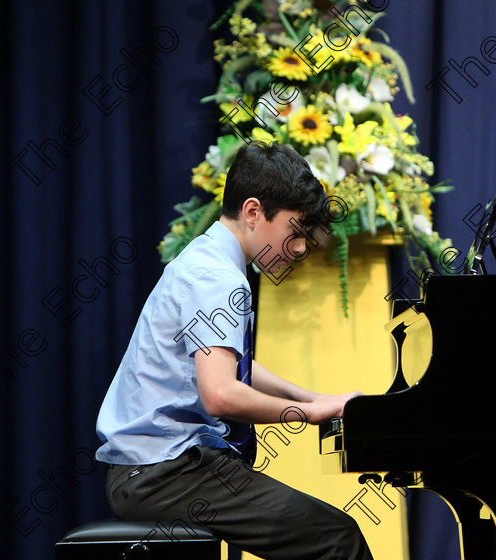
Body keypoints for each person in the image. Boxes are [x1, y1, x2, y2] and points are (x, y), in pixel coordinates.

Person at [95, 141, 373, 560]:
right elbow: (220, 394)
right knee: (338, 537)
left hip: (150, 471)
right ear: (253, 212)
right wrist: (309, 414)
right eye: (294, 233)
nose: (300, 249)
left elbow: (228, 362)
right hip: (163, 474)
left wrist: (311, 398)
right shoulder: (217, 277)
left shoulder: (208, 259)